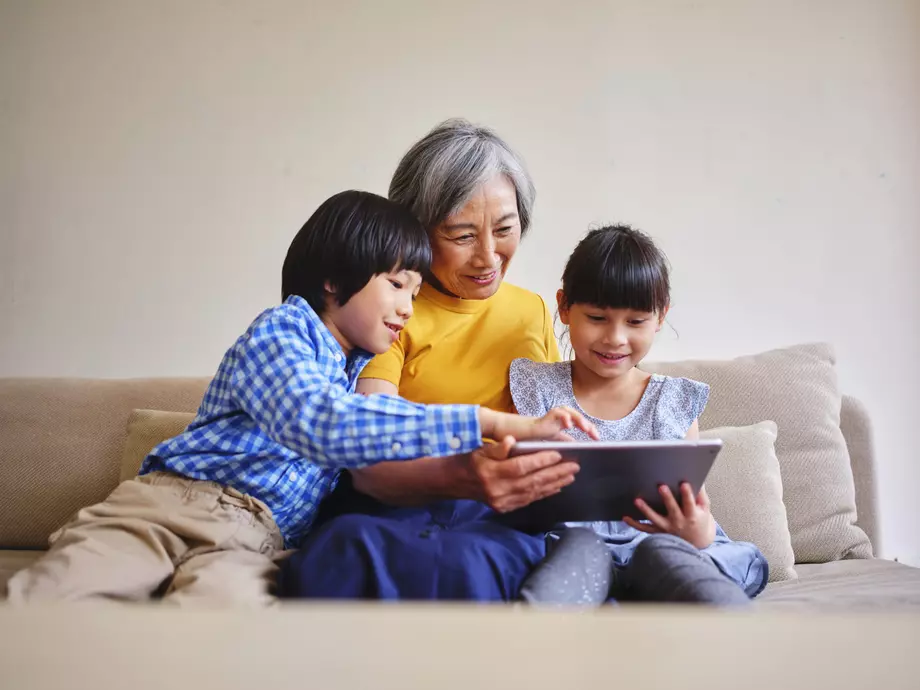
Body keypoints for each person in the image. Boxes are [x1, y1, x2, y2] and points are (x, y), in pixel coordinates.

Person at [5, 190, 592, 606]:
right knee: (55, 602)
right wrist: (486, 423)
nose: (408, 309)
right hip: (175, 506)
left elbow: (369, 460)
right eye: (396, 285)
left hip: (258, 543)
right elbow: (323, 423)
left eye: (414, 292)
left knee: (225, 635)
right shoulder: (283, 332)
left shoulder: (353, 372)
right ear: (334, 280)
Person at [278, 120, 586, 601]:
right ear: (417, 232)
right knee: (346, 552)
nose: (489, 257)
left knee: (505, 557)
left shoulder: (534, 310)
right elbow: (368, 460)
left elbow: (559, 428)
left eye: (504, 229)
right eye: (462, 235)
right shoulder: (388, 313)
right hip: (399, 505)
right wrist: (466, 478)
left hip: (501, 518)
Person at [511, 224, 769, 605]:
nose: (615, 338)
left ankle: (737, 646)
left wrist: (696, 531)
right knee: (580, 552)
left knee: (663, 554)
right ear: (564, 307)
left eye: (635, 322)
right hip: (570, 545)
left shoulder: (672, 401)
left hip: (663, 545)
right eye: (597, 317)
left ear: (660, 317)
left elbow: (693, 513)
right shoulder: (536, 388)